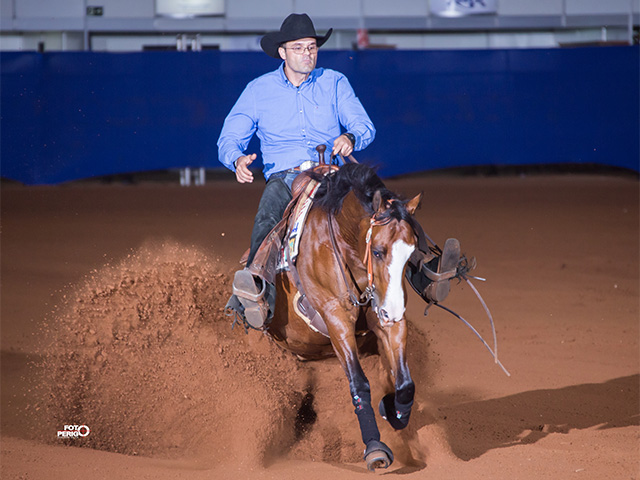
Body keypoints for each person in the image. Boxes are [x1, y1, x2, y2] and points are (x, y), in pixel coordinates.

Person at [217, 13, 376, 330]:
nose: (308, 53)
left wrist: (350, 137)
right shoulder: (258, 91)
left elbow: (363, 125)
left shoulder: (334, 82)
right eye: (300, 47)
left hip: (334, 174)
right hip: (286, 177)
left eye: (312, 47)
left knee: (382, 206)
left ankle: (423, 268)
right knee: (267, 216)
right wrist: (236, 159)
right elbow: (229, 138)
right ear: (283, 52)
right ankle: (257, 296)